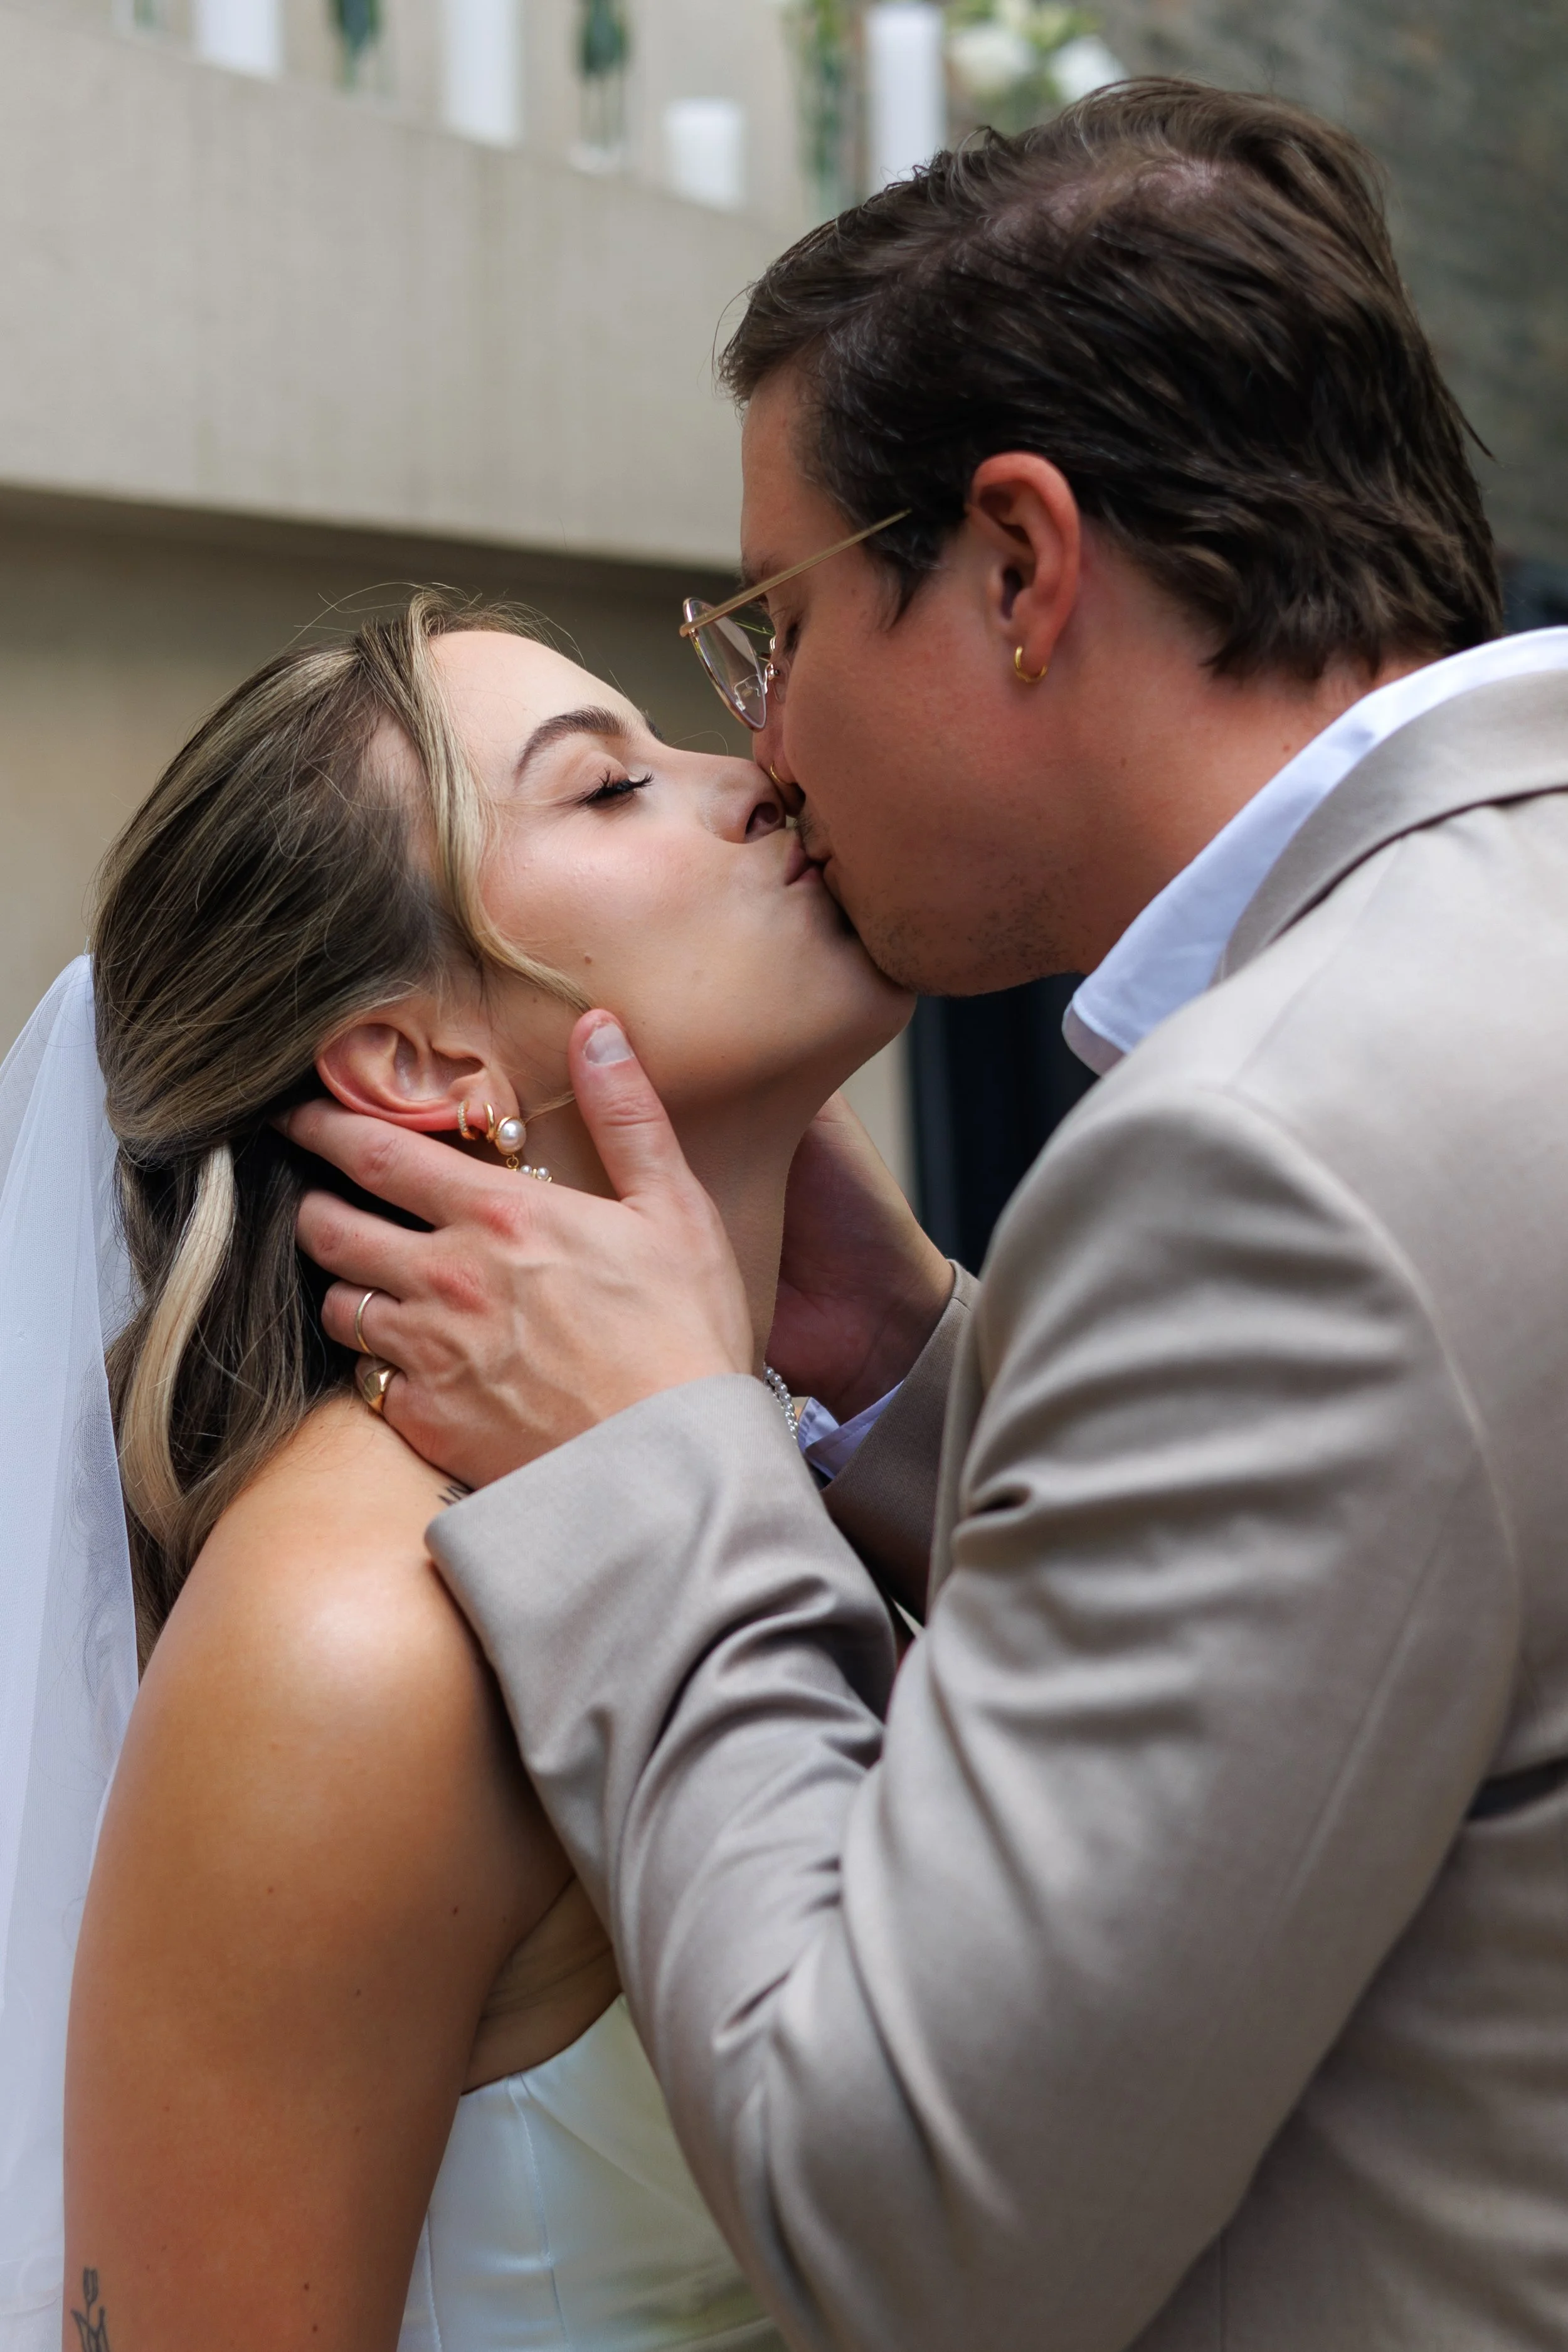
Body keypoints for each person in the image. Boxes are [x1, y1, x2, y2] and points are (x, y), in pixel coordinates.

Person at [287, 81, 1568, 2352]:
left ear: (1015, 566)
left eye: (769, 628)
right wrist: (895, 1366)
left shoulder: (1265, 1152)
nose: (761, 754)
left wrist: (656, 1458)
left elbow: (915, 2228)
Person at [1, 591, 911, 2351]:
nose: (757, 780)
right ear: (418, 1060)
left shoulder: (783, 1480)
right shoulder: (362, 1632)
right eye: (609, 787)